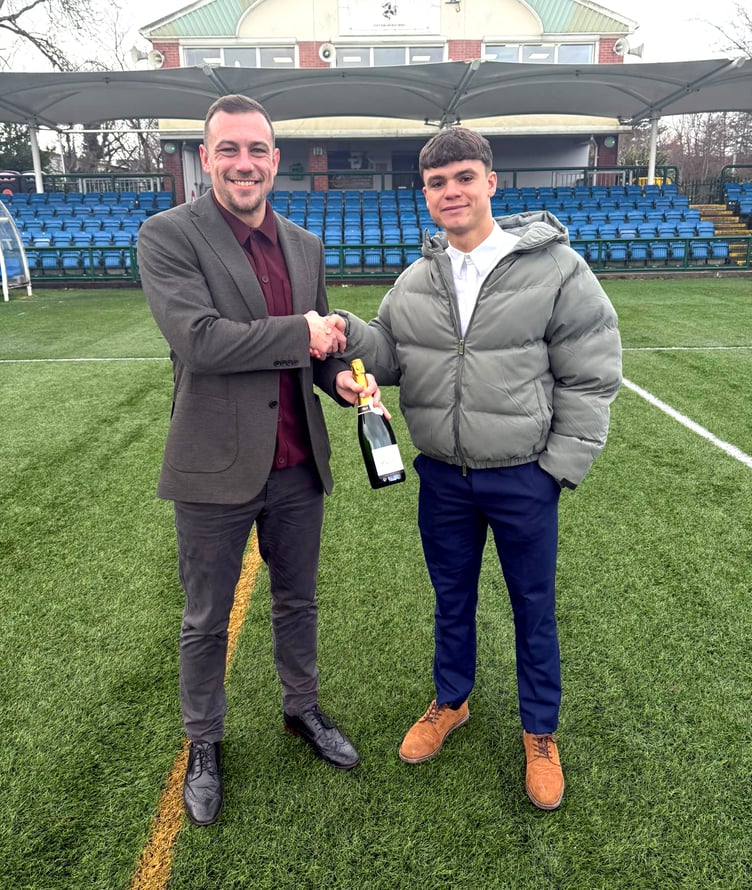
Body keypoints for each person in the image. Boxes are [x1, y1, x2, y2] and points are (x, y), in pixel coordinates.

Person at [330, 126, 622, 810]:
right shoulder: (416, 279)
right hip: (443, 478)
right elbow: (392, 357)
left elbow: (593, 370)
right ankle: (451, 700)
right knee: (452, 599)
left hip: (525, 475)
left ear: (491, 182)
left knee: (533, 609)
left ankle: (539, 732)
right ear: (424, 194)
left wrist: (557, 467)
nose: (451, 192)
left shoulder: (557, 269)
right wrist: (346, 331)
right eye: (437, 183)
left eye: (463, 177)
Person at [138, 94, 382, 827]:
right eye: (228, 150)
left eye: (256, 151)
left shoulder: (305, 245)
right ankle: (204, 742)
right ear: (207, 158)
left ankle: (301, 710)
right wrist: (300, 331)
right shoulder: (168, 235)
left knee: (297, 601)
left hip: (297, 461)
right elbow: (202, 341)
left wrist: (334, 377)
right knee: (206, 618)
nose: (243, 163)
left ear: (275, 161)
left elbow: (310, 350)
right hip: (214, 463)